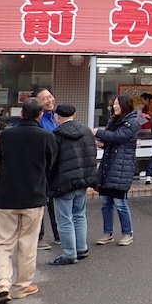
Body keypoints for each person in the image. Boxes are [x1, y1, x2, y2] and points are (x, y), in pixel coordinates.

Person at [0, 97, 57, 304]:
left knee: (1, 242)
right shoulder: (46, 137)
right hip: (33, 195)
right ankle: (21, 286)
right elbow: (51, 164)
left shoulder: (7, 135)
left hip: (6, 195)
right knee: (27, 243)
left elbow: (0, 158)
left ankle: (2, 283)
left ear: (21, 114)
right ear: (39, 115)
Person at [48, 104, 98, 266]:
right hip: (82, 180)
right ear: (74, 114)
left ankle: (69, 254)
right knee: (79, 215)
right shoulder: (86, 132)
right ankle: (81, 248)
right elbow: (92, 155)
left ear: (57, 116)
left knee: (64, 219)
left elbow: (52, 162)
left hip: (63, 182)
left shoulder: (56, 135)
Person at [92, 93, 138, 246]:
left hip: (122, 168)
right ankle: (107, 233)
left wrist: (97, 132)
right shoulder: (113, 120)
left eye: (117, 104)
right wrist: (102, 143)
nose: (114, 106)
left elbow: (118, 137)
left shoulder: (132, 122)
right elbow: (110, 139)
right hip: (109, 166)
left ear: (125, 105)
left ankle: (127, 233)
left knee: (120, 203)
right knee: (106, 203)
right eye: (114, 104)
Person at [32, 87, 60, 249]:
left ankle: (58, 234)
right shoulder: (38, 121)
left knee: (54, 202)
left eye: (50, 96)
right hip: (42, 167)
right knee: (40, 202)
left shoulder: (55, 117)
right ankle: (39, 237)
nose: (49, 100)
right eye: (45, 99)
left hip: (55, 167)